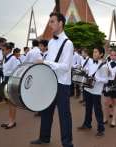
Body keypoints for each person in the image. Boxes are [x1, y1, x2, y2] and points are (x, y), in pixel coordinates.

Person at [30, 12, 74, 147]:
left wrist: (46, 63)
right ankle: (44, 138)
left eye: (52, 22)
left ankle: (67, 143)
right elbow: (49, 61)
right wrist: (43, 63)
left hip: (62, 84)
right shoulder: (51, 43)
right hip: (50, 81)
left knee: (64, 115)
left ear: (61, 23)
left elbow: (65, 67)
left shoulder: (68, 44)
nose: (50, 25)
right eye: (50, 22)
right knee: (46, 111)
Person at [77, 47, 108, 136]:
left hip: (96, 91)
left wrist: (96, 79)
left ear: (101, 54)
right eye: (93, 52)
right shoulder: (90, 63)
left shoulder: (104, 66)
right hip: (87, 88)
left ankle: (101, 129)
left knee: (97, 110)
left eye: (96, 52)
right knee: (88, 108)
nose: (94, 54)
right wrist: (84, 72)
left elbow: (106, 80)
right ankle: (87, 124)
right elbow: (89, 72)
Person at [0, 42, 20, 129]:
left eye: (3, 50)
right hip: (5, 79)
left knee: (12, 102)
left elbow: (17, 71)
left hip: (10, 80)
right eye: (1, 49)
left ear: (8, 50)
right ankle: (10, 120)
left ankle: (12, 122)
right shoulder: (5, 58)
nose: (2, 51)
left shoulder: (13, 59)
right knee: (8, 102)